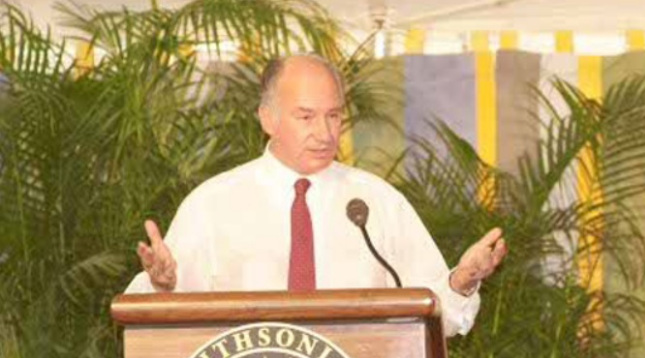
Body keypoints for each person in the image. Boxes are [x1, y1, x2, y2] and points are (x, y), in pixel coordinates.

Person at [128, 53, 507, 336]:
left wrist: (461, 281)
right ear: (267, 119)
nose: (325, 133)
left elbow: (437, 310)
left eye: (334, 116)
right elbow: (155, 316)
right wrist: (161, 286)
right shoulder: (213, 204)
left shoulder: (377, 202)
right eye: (306, 117)